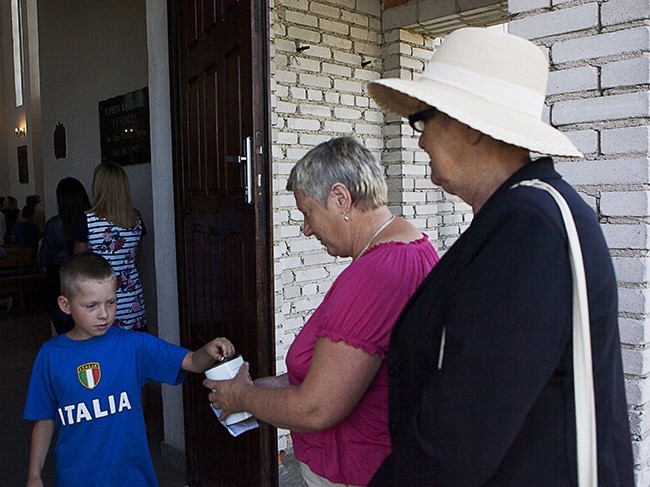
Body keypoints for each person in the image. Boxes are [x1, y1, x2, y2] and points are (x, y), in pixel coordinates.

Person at [363, 27, 634, 485]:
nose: (421, 139)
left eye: (424, 119)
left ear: (469, 126)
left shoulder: (528, 227)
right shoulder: (526, 214)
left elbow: (460, 435)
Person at [204, 137, 440, 486]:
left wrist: (243, 397)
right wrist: (256, 389)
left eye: (308, 212)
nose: (306, 228)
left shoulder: (374, 275)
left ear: (341, 198)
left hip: (356, 471)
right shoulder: (414, 245)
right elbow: (335, 374)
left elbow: (317, 408)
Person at [24, 252, 235, 487]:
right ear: (65, 305)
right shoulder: (50, 356)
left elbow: (191, 362)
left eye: (111, 302)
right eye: (91, 306)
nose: (104, 313)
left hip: (133, 478)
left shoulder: (133, 345)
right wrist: (34, 475)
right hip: (76, 478)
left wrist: (207, 351)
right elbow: (43, 418)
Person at [73, 162, 147, 330]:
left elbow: (77, 267)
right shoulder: (135, 219)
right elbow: (134, 260)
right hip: (132, 303)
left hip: (98, 305)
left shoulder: (87, 220)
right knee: (132, 352)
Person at [39, 177, 92, 334]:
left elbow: (43, 258)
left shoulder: (54, 224)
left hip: (57, 279)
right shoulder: (91, 221)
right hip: (84, 279)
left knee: (65, 334)